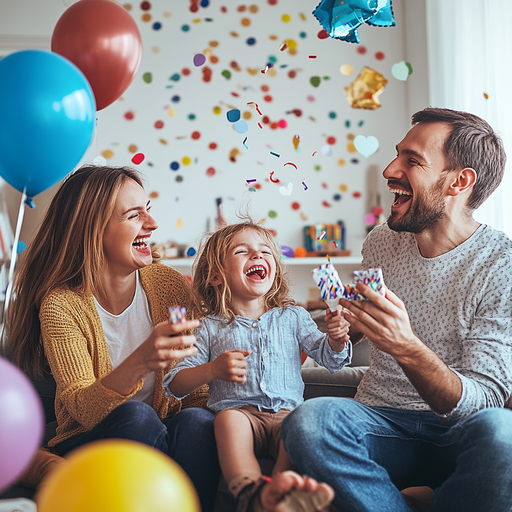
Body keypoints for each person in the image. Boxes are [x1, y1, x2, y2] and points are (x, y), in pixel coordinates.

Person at [278, 107, 512, 512]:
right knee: (311, 420)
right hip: (381, 421)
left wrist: (406, 346)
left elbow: (485, 402)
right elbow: (360, 326)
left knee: (502, 434)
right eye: (396, 154)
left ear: (460, 181)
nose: (390, 169)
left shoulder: (501, 264)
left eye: (412, 161)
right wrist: (346, 324)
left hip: (457, 434)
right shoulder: (383, 240)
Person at [7, 165, 220, 512]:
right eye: (135, 216)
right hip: (86, 442)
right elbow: (82, 408)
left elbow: (196, 394)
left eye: (148, 211)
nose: (152, 225)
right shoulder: (62, 304)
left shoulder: (166, 285)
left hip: (161, 431)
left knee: (198, 422)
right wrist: (142, 360)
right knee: (137, 416)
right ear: (93, 229)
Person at [163, 219, 352, 512]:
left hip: (288, 414)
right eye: (242, 251)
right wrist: (212, 369)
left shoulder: (294, 317)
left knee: (303, 424)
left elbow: (330, 358)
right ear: (215, 276)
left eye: (265, 252)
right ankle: (250, 491)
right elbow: (175, 383)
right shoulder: (209, 327)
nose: (257, 256)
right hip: (241, 416)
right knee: (227, 419)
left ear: (274, 269)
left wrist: (337, 339)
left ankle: (280, 490)